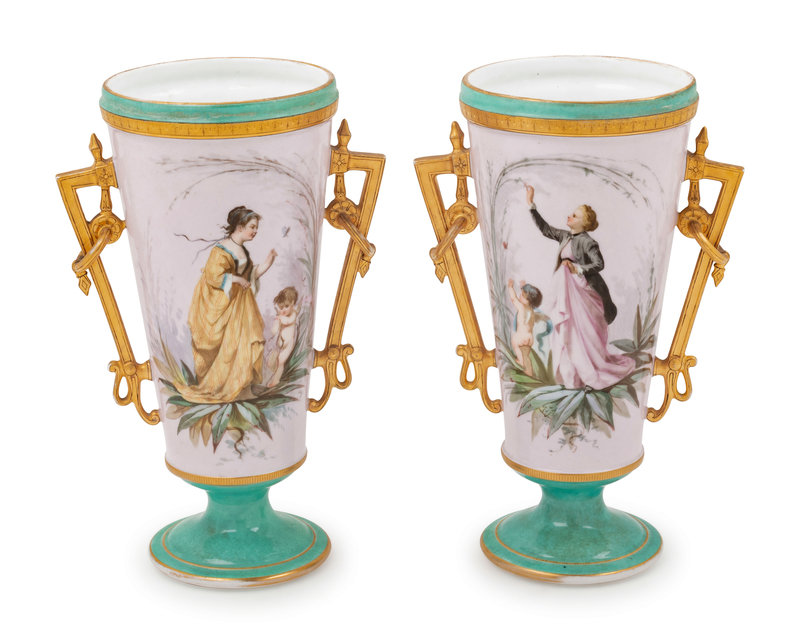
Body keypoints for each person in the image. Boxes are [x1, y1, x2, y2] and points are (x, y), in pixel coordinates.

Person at [525, 184, 633, 390]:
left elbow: (599, 264)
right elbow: (545, 229)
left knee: (585, 334)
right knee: (569, 333)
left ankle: (589, 372)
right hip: (567, 292)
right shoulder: (565, 236)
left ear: (583, 224)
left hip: (584, 293)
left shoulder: (588, 242)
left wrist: (578, 268)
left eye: (574, 216)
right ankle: (571, 376)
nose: (569, 216)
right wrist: (531, 205)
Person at [176, 206, 277, 403]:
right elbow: (214, 276)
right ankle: (229, 387)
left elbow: (249, 276)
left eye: (256, 227)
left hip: (242, 306)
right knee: (232, 346)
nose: (255, 231)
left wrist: (268, 261)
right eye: (252, 227)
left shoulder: (242, 250)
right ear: (239, 227)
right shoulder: (221, 249)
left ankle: (243, 388)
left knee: (244, 343)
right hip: (226, 305)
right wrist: (237, 280)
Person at [508, 279, 551, 376]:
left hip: (521, 338)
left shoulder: (521, 307)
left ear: (528, 300)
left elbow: (514, 299)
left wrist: (510, 287)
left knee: (515, 344)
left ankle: (520, 361)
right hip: (529, 339)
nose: (520, 296)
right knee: (526, 357)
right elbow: (526, 297)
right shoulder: (531, 309)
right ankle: (527, 370)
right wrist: (522, 287)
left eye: (522, 295)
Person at [266, 286, 299, 387]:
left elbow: (288, 321)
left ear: (292, 303)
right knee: (272, 361)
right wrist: (276, 322)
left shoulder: (293, 314)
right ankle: (274, 377)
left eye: (286, 306)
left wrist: (280, 318)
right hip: (280, 345)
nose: (283, 310)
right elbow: (274, 331)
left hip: (288, 345)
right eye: (281, 307)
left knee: (280, 361)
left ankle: (275, 381)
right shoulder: (281, 316)